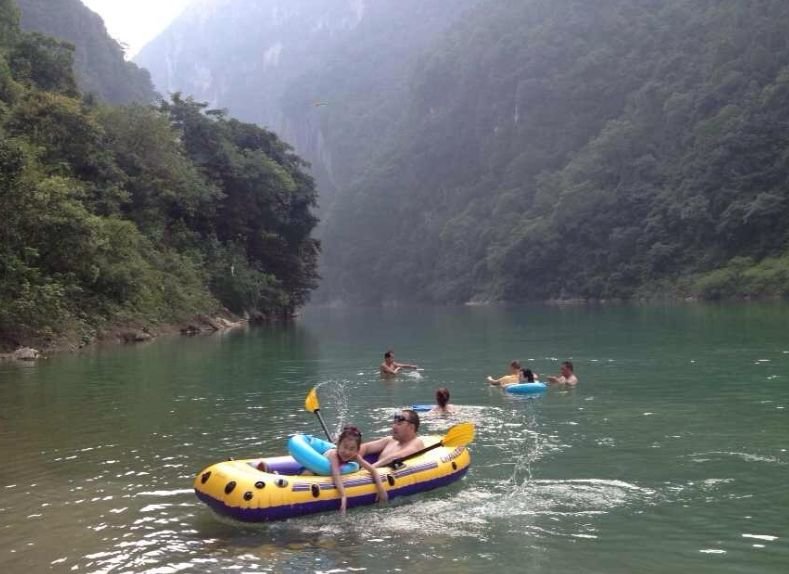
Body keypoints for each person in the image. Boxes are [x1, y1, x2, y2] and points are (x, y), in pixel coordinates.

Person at [326, 425, 388, 514]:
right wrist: (343, 496)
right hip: (320, 462)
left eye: (352, 449)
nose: (347, 452)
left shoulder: (355, 456)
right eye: (345, 447)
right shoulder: (334, 455)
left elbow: (372, 470)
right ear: (338, 445)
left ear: (357, 450)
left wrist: (381, 489)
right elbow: (336, 476)